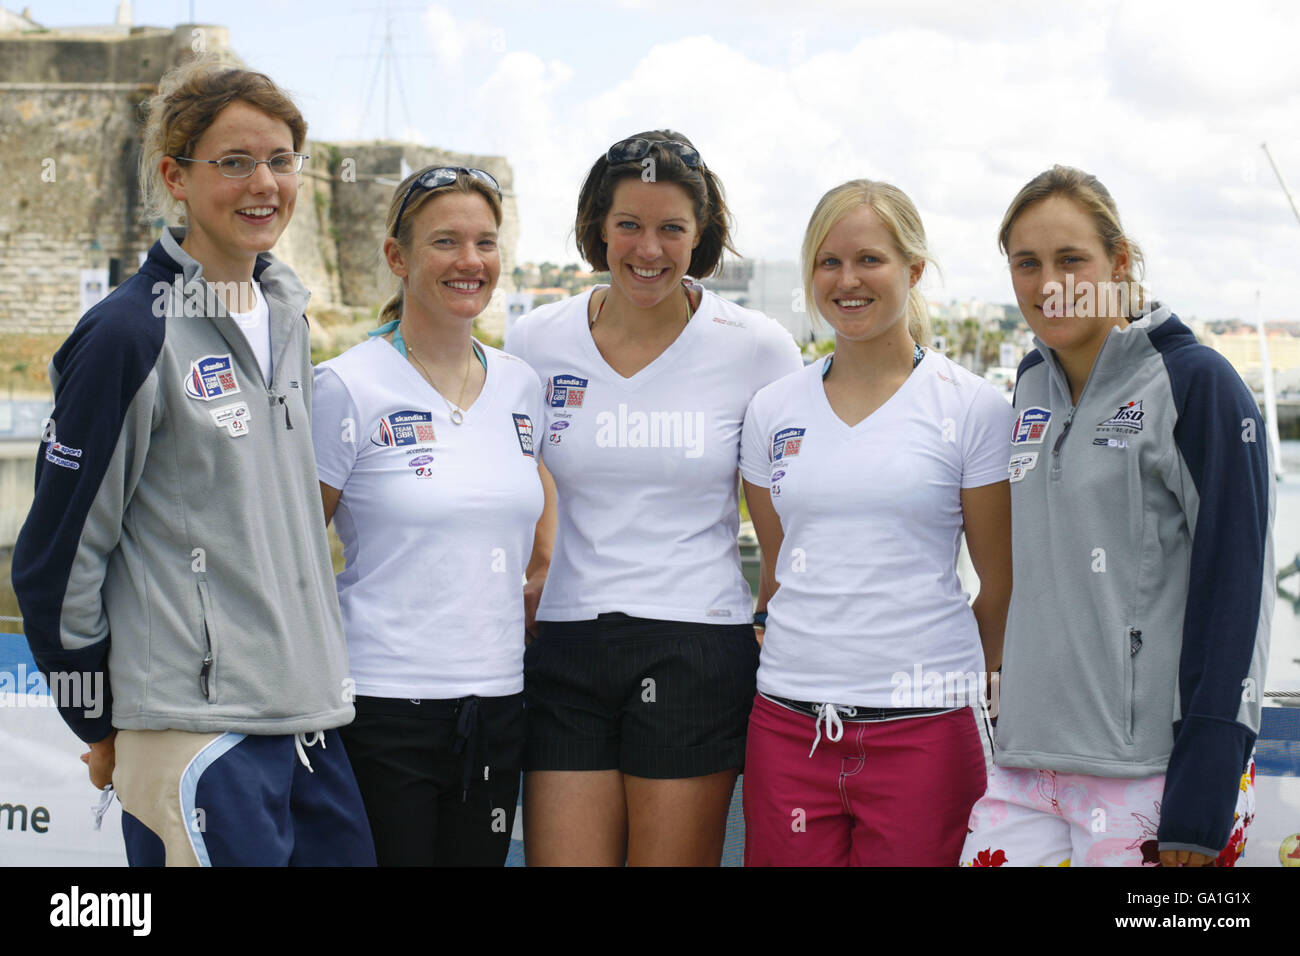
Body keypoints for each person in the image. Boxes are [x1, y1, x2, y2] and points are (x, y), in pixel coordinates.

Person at [10, 58, 374, 866]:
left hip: (308, 724)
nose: (264, 184)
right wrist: (102, 722)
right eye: (235, 162)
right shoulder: (126, 336)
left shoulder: (285, 318)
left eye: (281, 161)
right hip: (196, 734)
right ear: (175, 176)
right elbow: (55, 560)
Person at [961, 165, 1273, 867]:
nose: (1049, 283)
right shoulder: (1031, 383)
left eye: (1071, 259)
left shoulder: (1197, 384)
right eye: (1026, 263)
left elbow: (1238, 591)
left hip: (1153, 776)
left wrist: (1204, 788)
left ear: (1119, 263)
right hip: (1025, 766)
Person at [505, 130, 803, 865]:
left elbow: (784, 521)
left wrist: (772, 613)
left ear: (700, 237)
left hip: (696, 645)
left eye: (672, 228)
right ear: (597, 229)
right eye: (629, 225)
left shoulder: (758, 346)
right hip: (565, 642)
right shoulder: (537, 338)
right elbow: (521, 470)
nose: (649, 248)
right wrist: (540, 566)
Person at [739, 179, 1014, 866]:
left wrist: (933, 681)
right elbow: (778, 571)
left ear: (913, 270)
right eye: (828, 263)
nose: (847, 279)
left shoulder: (973, 407)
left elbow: (1002, 584)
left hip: (927, 735)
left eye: (870, 259)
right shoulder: (773, 410)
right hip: (788, 726)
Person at [312, 165, 551, 865]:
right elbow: (294, 551)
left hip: (499, 705)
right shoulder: (346, 385)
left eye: (485, 242)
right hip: (382, 709)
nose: (469, 262)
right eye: (445, 242)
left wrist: (534, 587)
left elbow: (533, 509)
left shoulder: (520, 386)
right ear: (398, 257)